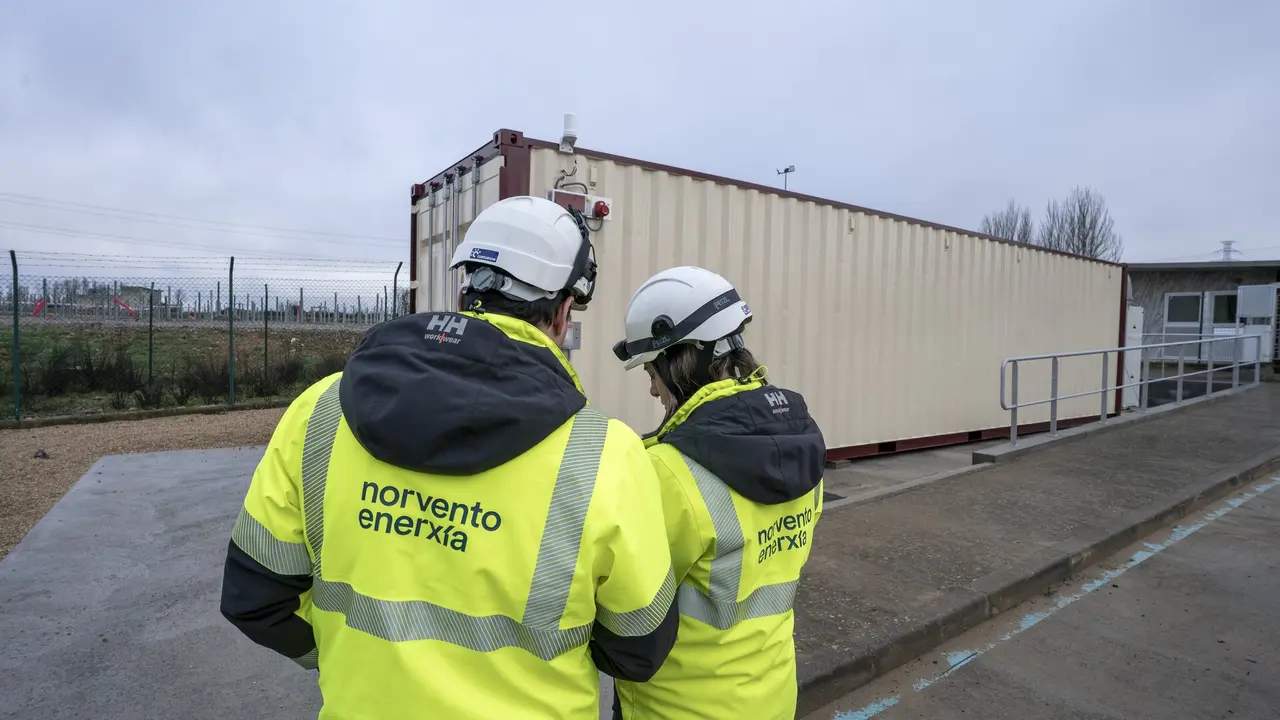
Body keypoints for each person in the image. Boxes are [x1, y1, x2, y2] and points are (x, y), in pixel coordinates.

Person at [220, 195, 680, 720]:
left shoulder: (321, 409)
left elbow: (254, 599)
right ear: (562, 312)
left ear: (466, 292)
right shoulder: (606, 454)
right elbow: (639, 648)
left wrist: (343, 658)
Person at [609, 266, 827, 720]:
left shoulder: (668, 471)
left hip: (682, 707)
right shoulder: (802, 443)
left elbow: (624, 607)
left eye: (651, 369)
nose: (652, 388)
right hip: (772, 695)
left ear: (682, 358)